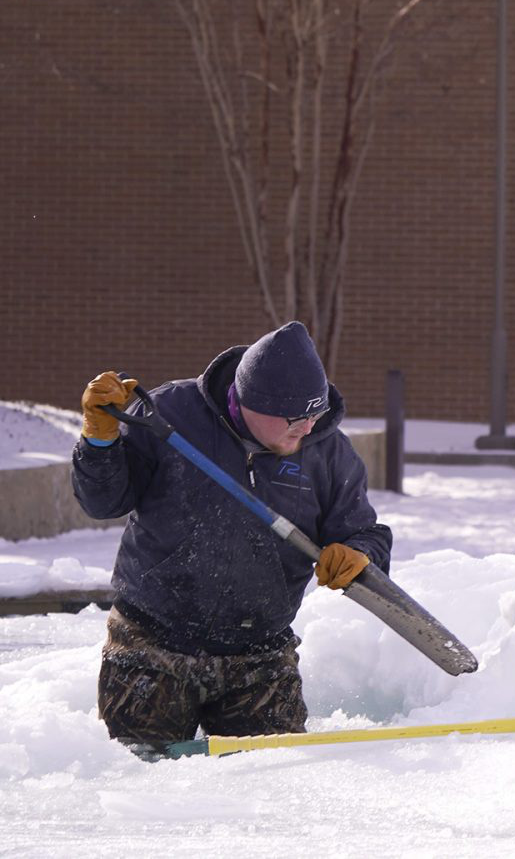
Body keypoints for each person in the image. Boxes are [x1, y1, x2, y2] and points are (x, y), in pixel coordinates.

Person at [71, 321, 392, 753]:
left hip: (259, 655)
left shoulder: (329, 452)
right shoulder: (170, 414)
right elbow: (103, 503)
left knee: (273, 784)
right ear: (249, 403)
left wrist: (358, 553)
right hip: (151, 642)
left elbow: (364, 531)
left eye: (315, 415)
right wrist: (99, 444)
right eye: (296, 418)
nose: (307, 427)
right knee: (137, 789)